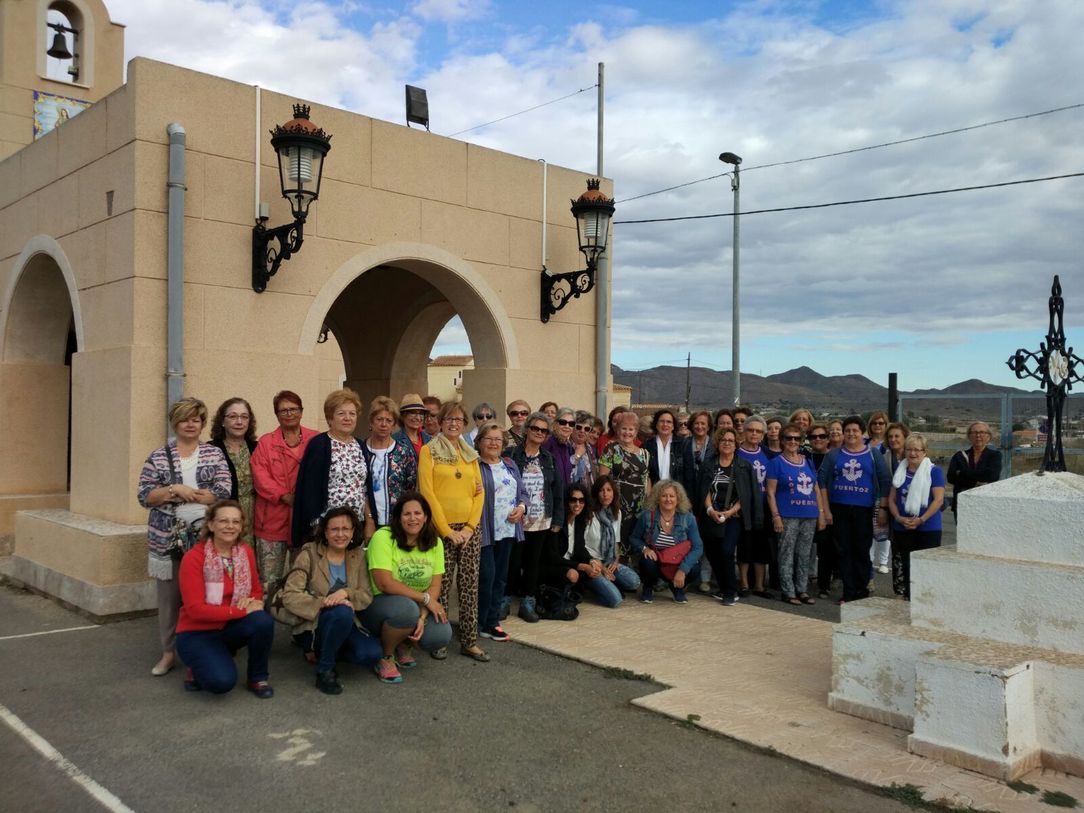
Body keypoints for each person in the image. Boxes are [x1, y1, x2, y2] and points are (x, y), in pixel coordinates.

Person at [137, 397, 231, 677]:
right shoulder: (157, 456)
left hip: (205, 537)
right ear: (175, 422)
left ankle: (205, 649)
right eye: (185, 419)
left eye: (196, 419)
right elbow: (144, 495)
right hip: (167, 538)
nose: (191, 424)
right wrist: (174, 490)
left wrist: (205, 495)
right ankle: (169, 652)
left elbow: (224, 488)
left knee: (207, 594)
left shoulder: (214, 454)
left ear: (202, 423)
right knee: (169, 598)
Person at [175, 500, 274, 698]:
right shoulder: (194, 558)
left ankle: (257, 677)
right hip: (197, 633)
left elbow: (255, 590)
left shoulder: (245, 552)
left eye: (236, 522)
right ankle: (196, 668)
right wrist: (242, 610)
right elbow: (195, 609)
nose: (230, 526)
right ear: (211, 525)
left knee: (262, 621)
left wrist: (254, 602)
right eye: (223, 521)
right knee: (222, 682)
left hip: (229, 627)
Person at [280, 507, 382, 694]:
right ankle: (325, 670)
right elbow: (290, 595)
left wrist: (345, 593)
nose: (340, 534)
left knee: (371, 653)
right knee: (341, 613)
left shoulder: (358, 556)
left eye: (346, 529)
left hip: (345, 622)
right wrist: (324, 602)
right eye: (334, 529)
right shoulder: (309, 554)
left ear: (353, 532)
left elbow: (366, 595)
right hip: (313, 624)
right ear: (325, 532)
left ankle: (324, 651)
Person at [418, 401, 488, 661]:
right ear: (439, 422)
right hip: (440, 529)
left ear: (464, 424)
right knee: (441, 587)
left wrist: (469, 527)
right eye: (448, 419)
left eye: (458, 420)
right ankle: (440, 638)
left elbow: (479, 493)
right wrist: (446, 530)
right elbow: (428, 493)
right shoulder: (429, 451)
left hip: (469, 530)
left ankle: (469, 640)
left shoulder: (470, 454)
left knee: (469, 586)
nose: (453, 424)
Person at [362, 494, 453, 683]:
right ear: (398, 517)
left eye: (418, 513)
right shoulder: (384, 537)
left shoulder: (435, 543)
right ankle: (386, 657)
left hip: (413, 606)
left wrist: (422, 616)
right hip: (377, 604)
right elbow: (384, 583)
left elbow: (435, 584)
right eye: (407, 514)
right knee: (406, 610)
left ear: (426, 516)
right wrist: (426, 600)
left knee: (441, 634)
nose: (413, 518)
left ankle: (402, 643)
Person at [817, 416, 892, 603]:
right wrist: (825, 510)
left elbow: (885, 482)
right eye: (848, 430)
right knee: (843, 551)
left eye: (855, 431)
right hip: (839, 509)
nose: (851, 434)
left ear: (862, 433)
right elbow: (822, 482)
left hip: (863, 510)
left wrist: (883, 508)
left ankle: (862, 589)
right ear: (843, 433)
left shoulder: (873, 455)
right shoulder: (834, 455)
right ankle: (849, 592)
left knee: (861, 550)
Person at [250, 390, 319, 592]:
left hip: (304, 520)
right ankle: (269, 620)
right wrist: (285, 496)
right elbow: (260, 476)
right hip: (272, 518)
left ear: (301, 411)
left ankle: (298, 620)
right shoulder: (266, 442)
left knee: (303, 578)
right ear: (276, 414)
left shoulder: (315, 439)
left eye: (293, 409)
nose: (289, 414)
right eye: (283, 410)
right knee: (270, 580)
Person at [292, 388, 372, 548]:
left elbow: (364, 488)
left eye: (352, 413)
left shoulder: (361, 446)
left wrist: (369, 520)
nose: (347, 418)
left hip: (355, 527)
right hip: (327, 528)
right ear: (330, 418)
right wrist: (316, 527)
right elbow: (310, 490)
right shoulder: (319, 445)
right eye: (341, 413)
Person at [504, 412, 565, 623]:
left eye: (543, 430)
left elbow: (557, 491)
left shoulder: (549, 459)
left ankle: (528, 601)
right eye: (535, 428)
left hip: (540, 520)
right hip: (515, 520)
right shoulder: (511, 455)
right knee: (513, 561)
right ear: (527, 429)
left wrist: (557, 519)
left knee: (533, 562)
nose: (539, 433)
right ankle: (505, 598)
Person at [696, 428, 760, 606]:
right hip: (711, 515)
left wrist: (730, 512)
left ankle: (730, 591)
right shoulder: (709, 464)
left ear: (736, 444)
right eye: (723, 440)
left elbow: (746, 495)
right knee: (712, 552)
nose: (727, 443)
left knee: (726, 550)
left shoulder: (744, 466)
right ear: (717, 443)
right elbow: (704, 489)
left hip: (734, 517)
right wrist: (709, 510)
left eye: (731, 440)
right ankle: (724, 587)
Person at [476, 421, 526, 642]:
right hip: (485, 532)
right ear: (479, 443)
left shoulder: (509, 464)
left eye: (498, 439)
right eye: (489, 439)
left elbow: (523, 492)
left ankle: (492, 622)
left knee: (500, 579)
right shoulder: (474, 466)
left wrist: (522, 508)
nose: (494, 443)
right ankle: (479, 622)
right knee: (486, 577)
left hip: (507, 531)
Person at [766, 424, 820, 605]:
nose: (793, 442)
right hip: (787, 515)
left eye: (797, 438)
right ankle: (788, 591)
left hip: (809, 514)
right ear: (782, 440)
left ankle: (802, 589)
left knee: (804, 554)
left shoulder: (808, 461)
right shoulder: (776, 463)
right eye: (789, 438)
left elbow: (815, 488)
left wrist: (820, 512)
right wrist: (776, 516)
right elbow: (770, 492)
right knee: (786, 553)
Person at [888, 434, 945, 600]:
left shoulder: (934, 471)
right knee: (907, 565)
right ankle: (909, 598)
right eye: (909, 449)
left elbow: (939, 499)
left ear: (924, 452)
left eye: (917, 450)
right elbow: (892, 499)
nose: (912, 453)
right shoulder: (900, 471)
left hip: (927, 527)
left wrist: (921, 519)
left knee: (927, 566)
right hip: (903, 526)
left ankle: (927, 599)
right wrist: (898, 517)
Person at [629, 480, 703, 604]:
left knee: (695, 568)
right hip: (656, 561)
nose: (668, 499)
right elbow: (633, 538)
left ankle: (676, 587)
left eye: (672, 496)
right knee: (647, 562)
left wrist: (683, 570)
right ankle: (648, 586)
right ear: (658, 498)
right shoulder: (647, 516)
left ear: (678, 499)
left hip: (677, 562)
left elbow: (698, 547)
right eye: (664, 496)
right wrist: (645, 549)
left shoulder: (688, 518)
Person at [579, 475, 641, 606]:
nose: (605, 494)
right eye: (602, 490)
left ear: (614, 492)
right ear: (596, 493)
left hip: (608, 559)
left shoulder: (616, 513)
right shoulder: (589, 514)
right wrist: (599, 566)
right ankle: (589, 584)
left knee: (634, 582)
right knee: (615, 600)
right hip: (590, 561)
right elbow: (579, 546)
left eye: (609, 490)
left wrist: (616, 559)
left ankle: (606, 582)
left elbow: (616, 541)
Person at [597, 410, 652, 555]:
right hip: (617, 505)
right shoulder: (611, 449)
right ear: (617, 429)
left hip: (639, 508)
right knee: (616, 542)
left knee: (636, 541)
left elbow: (646, 479)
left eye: (631, 429)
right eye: (624, 428)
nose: (627, 432)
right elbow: (602, 479)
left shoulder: (645, 454)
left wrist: (649, 502)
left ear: (636, 431)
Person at [362, 396, 417, 530]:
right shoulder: (361, 450)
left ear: (394, 425)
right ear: (371, 422)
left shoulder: (403, 452)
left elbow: (410, 488)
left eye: (388, 420)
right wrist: (368, 519)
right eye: (379, 419)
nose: (383, 424)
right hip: (366, 521)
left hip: (397, 523)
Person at [210, 397, 258, 544]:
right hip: (226, 521)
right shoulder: (211, 450)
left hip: (256, 521)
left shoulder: (258, 448)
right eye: (233, 416)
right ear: (222, 421)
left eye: (244, 417)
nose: (239, 422)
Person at [736, 416, 773, 598]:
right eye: (751, 430)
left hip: (764, 506)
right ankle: (743, 582)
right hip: (743, 507)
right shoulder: (736, 452)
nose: (754, 434)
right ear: (744, 431)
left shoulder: (768, 454)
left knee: (761, 546)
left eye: (758, 431)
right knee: (745, 545)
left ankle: (759, 585)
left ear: (763, 434)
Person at [539, 483, 596, 600]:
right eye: (573, 500)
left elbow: (580, 548)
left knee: (594, 572)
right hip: (552, 566)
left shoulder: (579, 522)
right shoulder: (557, 522)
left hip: (570, 563)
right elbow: (553, 557)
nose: (577, 504)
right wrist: (581, 566)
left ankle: (572, 592)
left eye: (581, 501)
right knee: (573, 574)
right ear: (566, 502)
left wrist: (591, 560)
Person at [946, 421, 1002, 522]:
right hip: (961, 504)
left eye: (982, 432)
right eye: (974, 432)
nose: (978, 435)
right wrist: (976, 482)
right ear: (969, 436)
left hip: (986, 504)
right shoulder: (959, 456)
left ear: (988, 436)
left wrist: (963, 472)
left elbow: (992, 476)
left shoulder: (995, 455)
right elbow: (951, 477)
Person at [806, 423, 835, 599]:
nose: (818, 439)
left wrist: (825, 510)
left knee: (826, 549)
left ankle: (824, 585)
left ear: (828, 439)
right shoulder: (803, 456)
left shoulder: (834, 458)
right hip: (805, 506)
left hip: (827, 506)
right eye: (813, 437)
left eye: (822, 436)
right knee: (803, 548)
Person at [883, 421, 911, 596]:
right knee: (898, 551)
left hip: (913, 510)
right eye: (890, 436)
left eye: (897, 436)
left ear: (905, 437)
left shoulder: (914, 457)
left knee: (913, 551)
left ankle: (913, 589)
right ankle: (900, 590)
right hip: (894, 510)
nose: (893, 439)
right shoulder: (885, 457)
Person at [643, 408, 695, 500]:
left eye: (669, 422)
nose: (665, 424)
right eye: (661, 421)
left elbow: (689, 475)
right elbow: (645, 474)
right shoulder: (647, 446)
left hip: (677, 496)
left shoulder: (684, 444)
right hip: (654, 496)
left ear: (673, 426)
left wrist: (687, 498)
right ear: (656, 424)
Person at [542, 406, 576, 486]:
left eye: (571, 424)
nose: (567, 426)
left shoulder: (569, 447)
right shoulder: (547, 443)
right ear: (555, 424)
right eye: (563, 422)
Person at [393, 393, 432, 462]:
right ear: (402, 416)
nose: (417, 417)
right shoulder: (395, 440)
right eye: (413, 413)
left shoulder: (429, 439)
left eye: (421, 413)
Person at [569, 411, 599, 490]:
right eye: (578, 427)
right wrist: (577, 456)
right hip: (572, 495)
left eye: (586, 429)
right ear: (572, 428)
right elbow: (565, 472)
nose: (582, 431)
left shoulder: (591, 449)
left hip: (590, 495)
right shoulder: (566, 446)